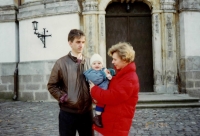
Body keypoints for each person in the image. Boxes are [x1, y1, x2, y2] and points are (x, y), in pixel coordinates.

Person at [47, 29, 94, 136]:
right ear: (70, 43)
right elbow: (52, 85)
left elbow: (96, 82)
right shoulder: (61, 63)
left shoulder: (90, 62)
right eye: (78, 42)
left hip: (87, 113)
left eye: (83, 42)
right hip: (68, 113)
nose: (81, 45)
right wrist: (63, 97)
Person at [89, 42, 140, 136]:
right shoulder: (120, 75)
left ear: (124, 59)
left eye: (115, 59)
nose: (112, 62)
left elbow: (112, 96)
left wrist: (93, 89)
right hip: (113, 122)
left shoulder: (130, 78)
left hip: (117, 125)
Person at [83, 53, 115, 128]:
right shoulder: (90, 72)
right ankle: (97, 116)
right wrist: (105, 75)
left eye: (99, 63)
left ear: (102, 64)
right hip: (95, 91)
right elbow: (96, 79)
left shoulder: (103, 70)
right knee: (100, 102)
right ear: (91, 65)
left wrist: (111, 72)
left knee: (103, 104)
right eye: (94, 63)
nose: (97, 65)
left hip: (103, 91)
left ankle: (99, 116)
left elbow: (110, 73)